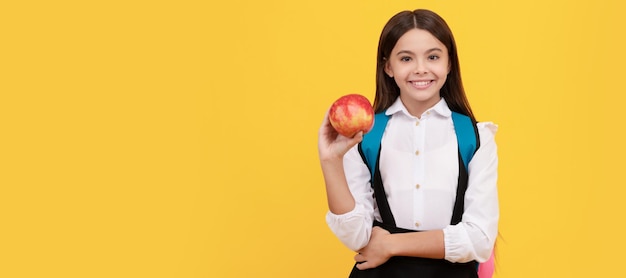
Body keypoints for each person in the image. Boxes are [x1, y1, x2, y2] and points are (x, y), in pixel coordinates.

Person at [318, 9, 499, 278]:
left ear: (449, 64)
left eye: (433, 57)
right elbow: (356, 236)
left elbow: (480, 239)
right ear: (388, 67)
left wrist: (390, 244)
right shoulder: (364, 135)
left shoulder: (475, 136)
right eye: (406, 58)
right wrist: (330, 161)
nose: (420, 69)